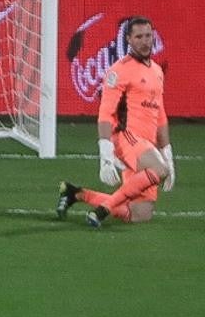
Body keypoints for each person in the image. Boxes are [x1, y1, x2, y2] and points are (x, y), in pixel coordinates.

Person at [57, 16, 176, 226]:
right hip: (127, 137)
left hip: (147, 144)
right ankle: (101, 211)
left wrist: (167, 152)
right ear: (128, 39)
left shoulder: (157, 71)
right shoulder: (118, 71)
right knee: (159, 170)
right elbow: (105, 113)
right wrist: (106, 154)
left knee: (139, 215)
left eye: (148, 35)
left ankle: (75, 193)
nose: (145, 41)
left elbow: (161, 113)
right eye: (138, 36)